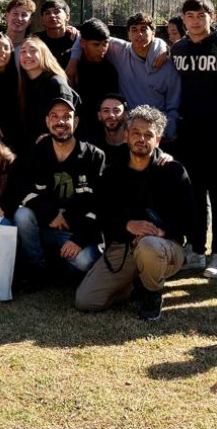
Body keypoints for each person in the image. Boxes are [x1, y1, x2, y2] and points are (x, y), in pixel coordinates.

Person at [74, 106, 192, 320]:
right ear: (126, 135)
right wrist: (127, 225)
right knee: (86, 301)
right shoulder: (112, 172)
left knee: (148, 245)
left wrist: (163, 232)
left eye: (149, 135)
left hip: (164, 246)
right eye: (136, 133)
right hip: (124, 246)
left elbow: (191, 217)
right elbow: (102, 214)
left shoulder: (173, 170)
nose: (141, 139)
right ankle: (133, 284)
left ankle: (152, 294)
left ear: (158, 140)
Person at [169, 0, 217, 278]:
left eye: (201, 15)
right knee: (194, 196)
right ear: (183, 19)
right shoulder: (178, 49)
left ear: (211, 17)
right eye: (190, 16)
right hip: (189, 136)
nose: (196, 21)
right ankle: (197, 249)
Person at [14, 98, 106, 284]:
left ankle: (59, 266)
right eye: (55, 116)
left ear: (76, 121)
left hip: (78, 232)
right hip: (46, 228)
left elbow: (101, 205)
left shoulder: (94, 156)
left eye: (66, 116)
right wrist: (50, 214)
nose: (60, 122)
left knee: (83, 262)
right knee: (22, 215)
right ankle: (36, 268)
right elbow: (22, 189)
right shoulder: (37, 152)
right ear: (47, 121)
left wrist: (78, 239)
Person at [65, 14, 176, 140]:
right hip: (127, 131)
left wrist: (167, 134)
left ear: (153, 33)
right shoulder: (120, 50)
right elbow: (84, 37)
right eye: (134, 30)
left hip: (157, 131)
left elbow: (174, 105)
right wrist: (73, 60)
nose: (139, 34)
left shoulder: (167, 64)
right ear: (128, 34)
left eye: (144, 29)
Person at [17, 36, 78, 151]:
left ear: (44, 54)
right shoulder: (25, 85)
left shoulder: (56, 84)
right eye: (23, 51)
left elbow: (64, 126)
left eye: (33, 50)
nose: (27, 55)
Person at [88, 94, 128, 161]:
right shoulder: (92, 149)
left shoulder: (134, 146)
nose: (111, 115)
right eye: (106, 110)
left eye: (116, 110)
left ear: (125, 115)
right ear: (99, 116)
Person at [38, 0, 75, 65]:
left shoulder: (77, 41)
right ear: (42, 19)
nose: (52, 16)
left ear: (67, 16)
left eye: (56, 12)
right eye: (47, 13)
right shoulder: (36, 41)